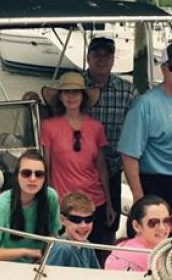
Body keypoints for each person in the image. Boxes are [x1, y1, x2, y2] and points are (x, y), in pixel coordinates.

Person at [118, 41, 172, 209]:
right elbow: (129, 155)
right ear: (163, 69)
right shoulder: (144, 105)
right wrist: (139, 198)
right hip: (158, 183)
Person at [41, 72, 116, 245]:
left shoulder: (96, 127)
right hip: (64, 204)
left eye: (76, 92)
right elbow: (47, 168)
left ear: (83, 96)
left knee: (94, 253)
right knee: (64, 253)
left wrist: (110, 203)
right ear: (60, 96)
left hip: (94, 202)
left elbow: (102, 168)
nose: (71, 96)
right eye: (67, 92)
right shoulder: (49, 126)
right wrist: (51, 203)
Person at [82, 36, 137, 243]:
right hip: (78, 168)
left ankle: (104, 260)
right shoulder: (76, 84)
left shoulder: (128, 90)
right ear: (88, 57)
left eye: (107, 55)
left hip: (112, 168)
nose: (102, 59)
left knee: (107, 224)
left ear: (113, 59)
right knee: (77, 220)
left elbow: (140, 123)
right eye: (97, 54)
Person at [96, 195, 172, 280]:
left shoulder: (121, 245)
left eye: (167, 221)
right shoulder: (150, 257)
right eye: (153, 222)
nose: (162, 228)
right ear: (137, 226)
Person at [0, 150, 60, 263]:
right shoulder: (2, 204)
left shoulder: (51, 197)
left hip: (40, 266)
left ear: (45, 178)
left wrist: (45, 257)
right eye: (26, 173)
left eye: (39, 174)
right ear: (17, 176)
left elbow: (53, 235)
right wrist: (27, 252)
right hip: (8, 268)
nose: (32, 179)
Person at [39, 192, 101, 280]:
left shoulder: (87, 245)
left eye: (88, 219)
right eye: (76, 220)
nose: (83, 225)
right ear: (62, 220)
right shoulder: (62, 248)